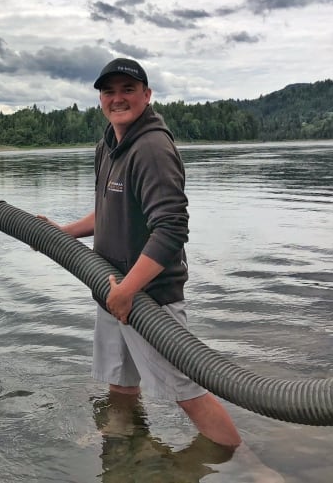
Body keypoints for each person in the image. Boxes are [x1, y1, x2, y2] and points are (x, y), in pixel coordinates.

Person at [40, 58, 243, 448]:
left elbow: (170, 230)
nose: (118, 99)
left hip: (147, 297)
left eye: (127, 90)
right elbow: (109, 210)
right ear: (100, 99)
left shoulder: (151, 147)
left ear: (146, 95)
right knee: (120, 380)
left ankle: (247, 463)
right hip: (113, 287)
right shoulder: (109, 144)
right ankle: (121, 436)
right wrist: (64, 232)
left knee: (187, 391)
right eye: (109, 91)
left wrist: (129, 290)